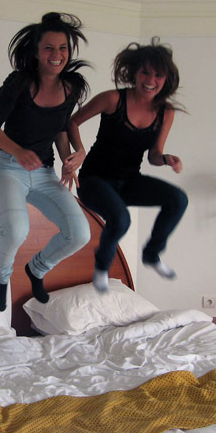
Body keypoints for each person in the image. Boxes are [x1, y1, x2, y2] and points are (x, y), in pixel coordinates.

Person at [0, 12, 91, 311]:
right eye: (49, 48)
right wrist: (18, 151)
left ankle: (37, 268)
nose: (57, 55)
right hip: (8, 168)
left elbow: (61, 128)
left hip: (44, 173)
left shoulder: (71, 87)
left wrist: (72, 156)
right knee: (17, 230)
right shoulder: (19, 82)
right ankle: (1, 278)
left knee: (80, 234)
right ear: (36, 51)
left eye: (63, 48)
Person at [67, 37, 188, 293]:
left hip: (130, 181)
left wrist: (166, 159)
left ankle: (151, 254)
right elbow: (72, 122)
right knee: (121, 219)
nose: (150, 80)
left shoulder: (165, 112)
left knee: (178, 199)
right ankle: (102, 267)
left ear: (166, 79)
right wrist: (79, 150)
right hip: (94, 181)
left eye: (158, 75)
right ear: (134, 72)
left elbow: (154, 155)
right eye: (145, 72)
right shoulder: (113, 99)